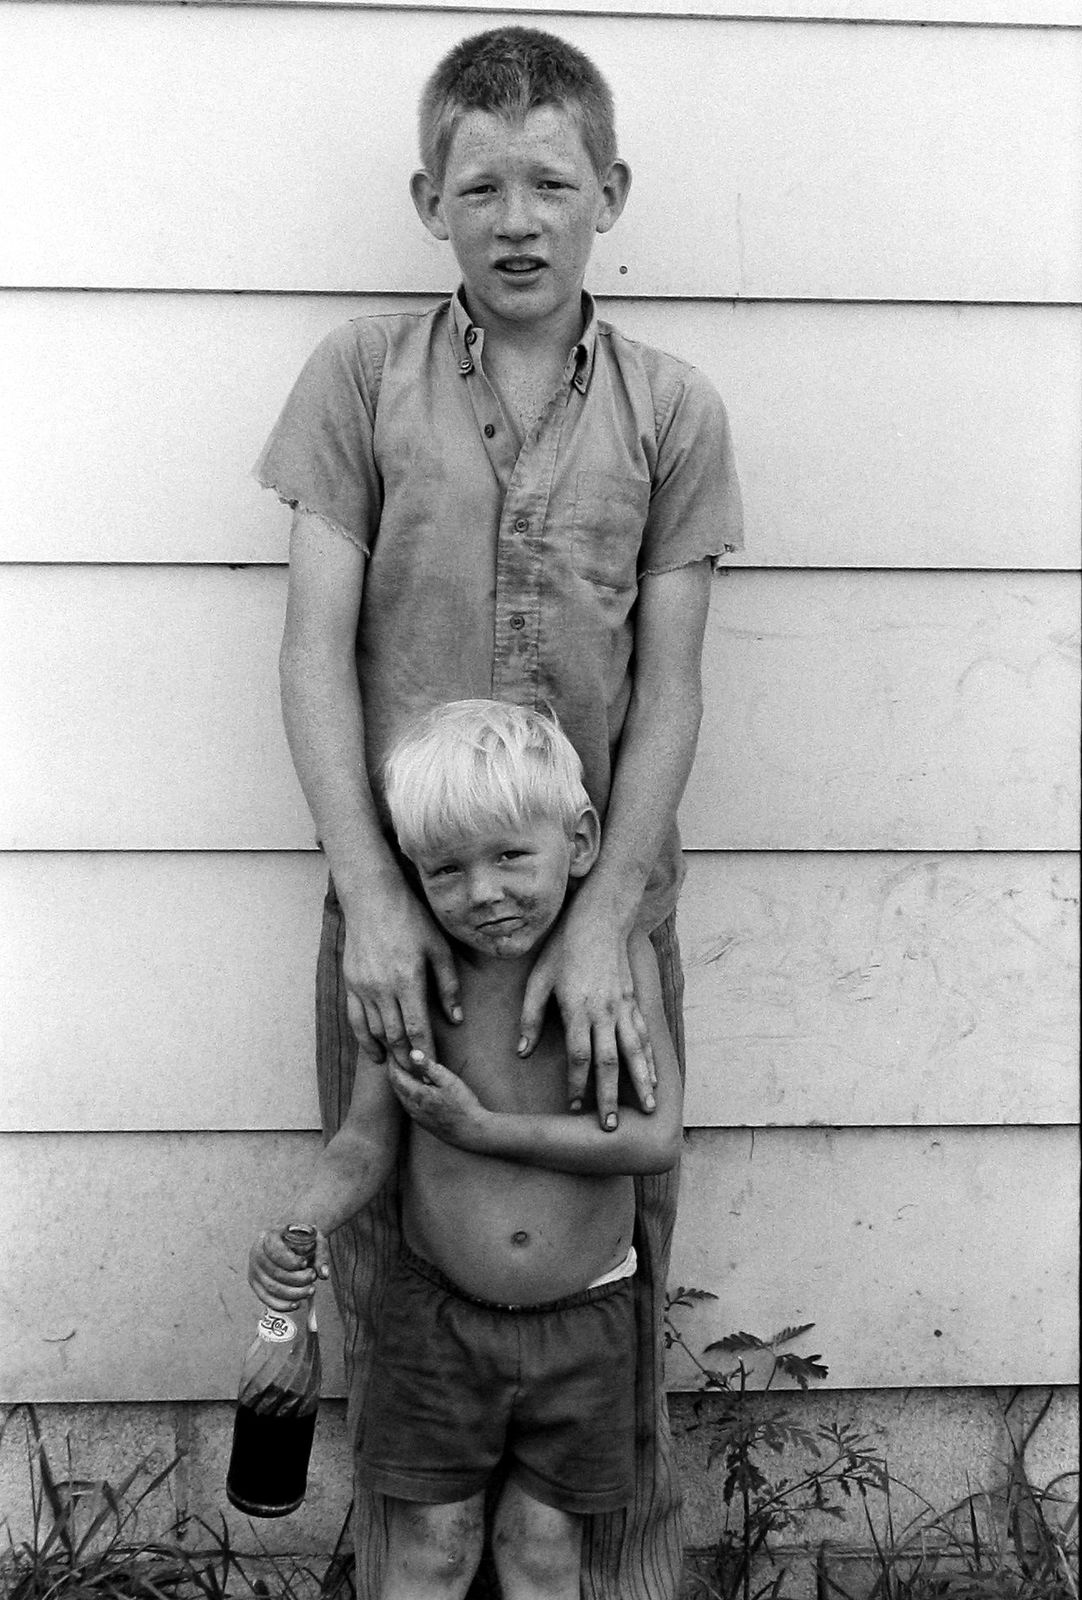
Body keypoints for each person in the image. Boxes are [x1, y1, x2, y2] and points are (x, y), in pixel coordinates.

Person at [254, 24, 742, 1597]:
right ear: (428, 199)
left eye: (550, 181)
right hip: (406, 914)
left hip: (594, 926)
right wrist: (374, 897)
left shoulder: (671, 408)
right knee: (397, 1272)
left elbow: (667, 691)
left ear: (609, 189)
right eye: (481, 186)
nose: (516, 215)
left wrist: (603, 925)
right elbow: (313, 652)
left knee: (602, 1266)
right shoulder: (360, 377)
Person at [249, 700, 684, 1600]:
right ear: (413, 877)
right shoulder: (414, 982)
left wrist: (480, 1131)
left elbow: (653, 1138)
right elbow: (365, 1141)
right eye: (445, 870)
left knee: (542, 1551)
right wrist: (296, 1231)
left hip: (586, 1325)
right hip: (438, 1322)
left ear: (583, 838)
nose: (482, 893)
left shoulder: (617, 961)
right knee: (431, 1553)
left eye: (512, 856)